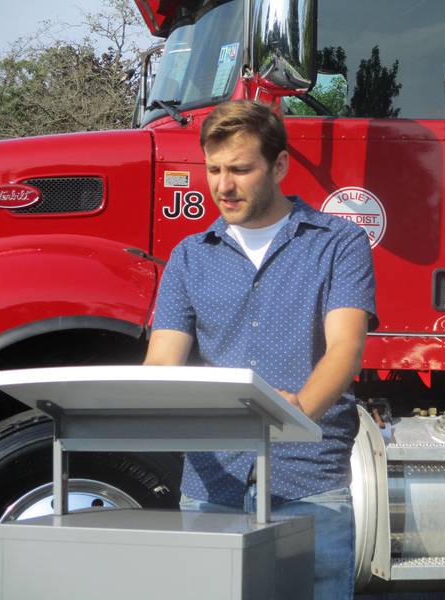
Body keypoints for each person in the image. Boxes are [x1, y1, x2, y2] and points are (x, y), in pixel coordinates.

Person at [144, 100, 377, 599]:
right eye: (214, 170)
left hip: (307, 482)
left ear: (280, 165)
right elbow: (161, 361)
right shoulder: (188, 256)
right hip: (213, 484)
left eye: (241, 170)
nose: (223, 186)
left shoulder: (339, 242)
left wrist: (297, 414)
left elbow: (345, 349)